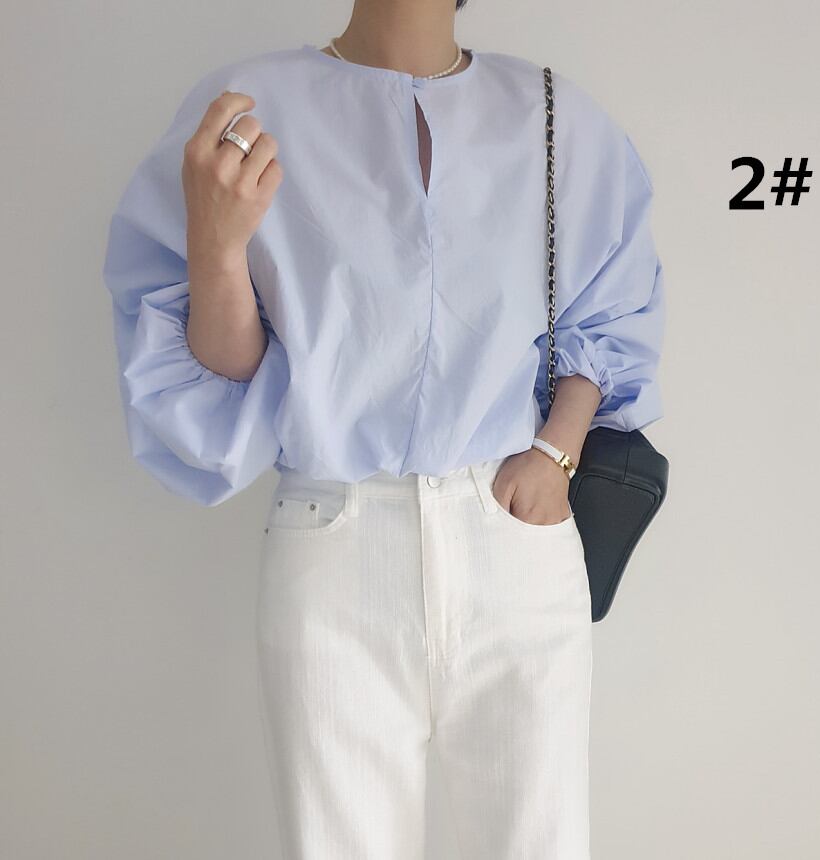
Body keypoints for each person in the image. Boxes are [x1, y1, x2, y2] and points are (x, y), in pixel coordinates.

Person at [102, 1, 665, 857]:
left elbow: (612, 307)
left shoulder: (555, 115)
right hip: (333, 537)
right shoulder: (248, 107)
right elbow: (221, 380)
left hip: (513, 531)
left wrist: (557, 454)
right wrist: (217, 247)